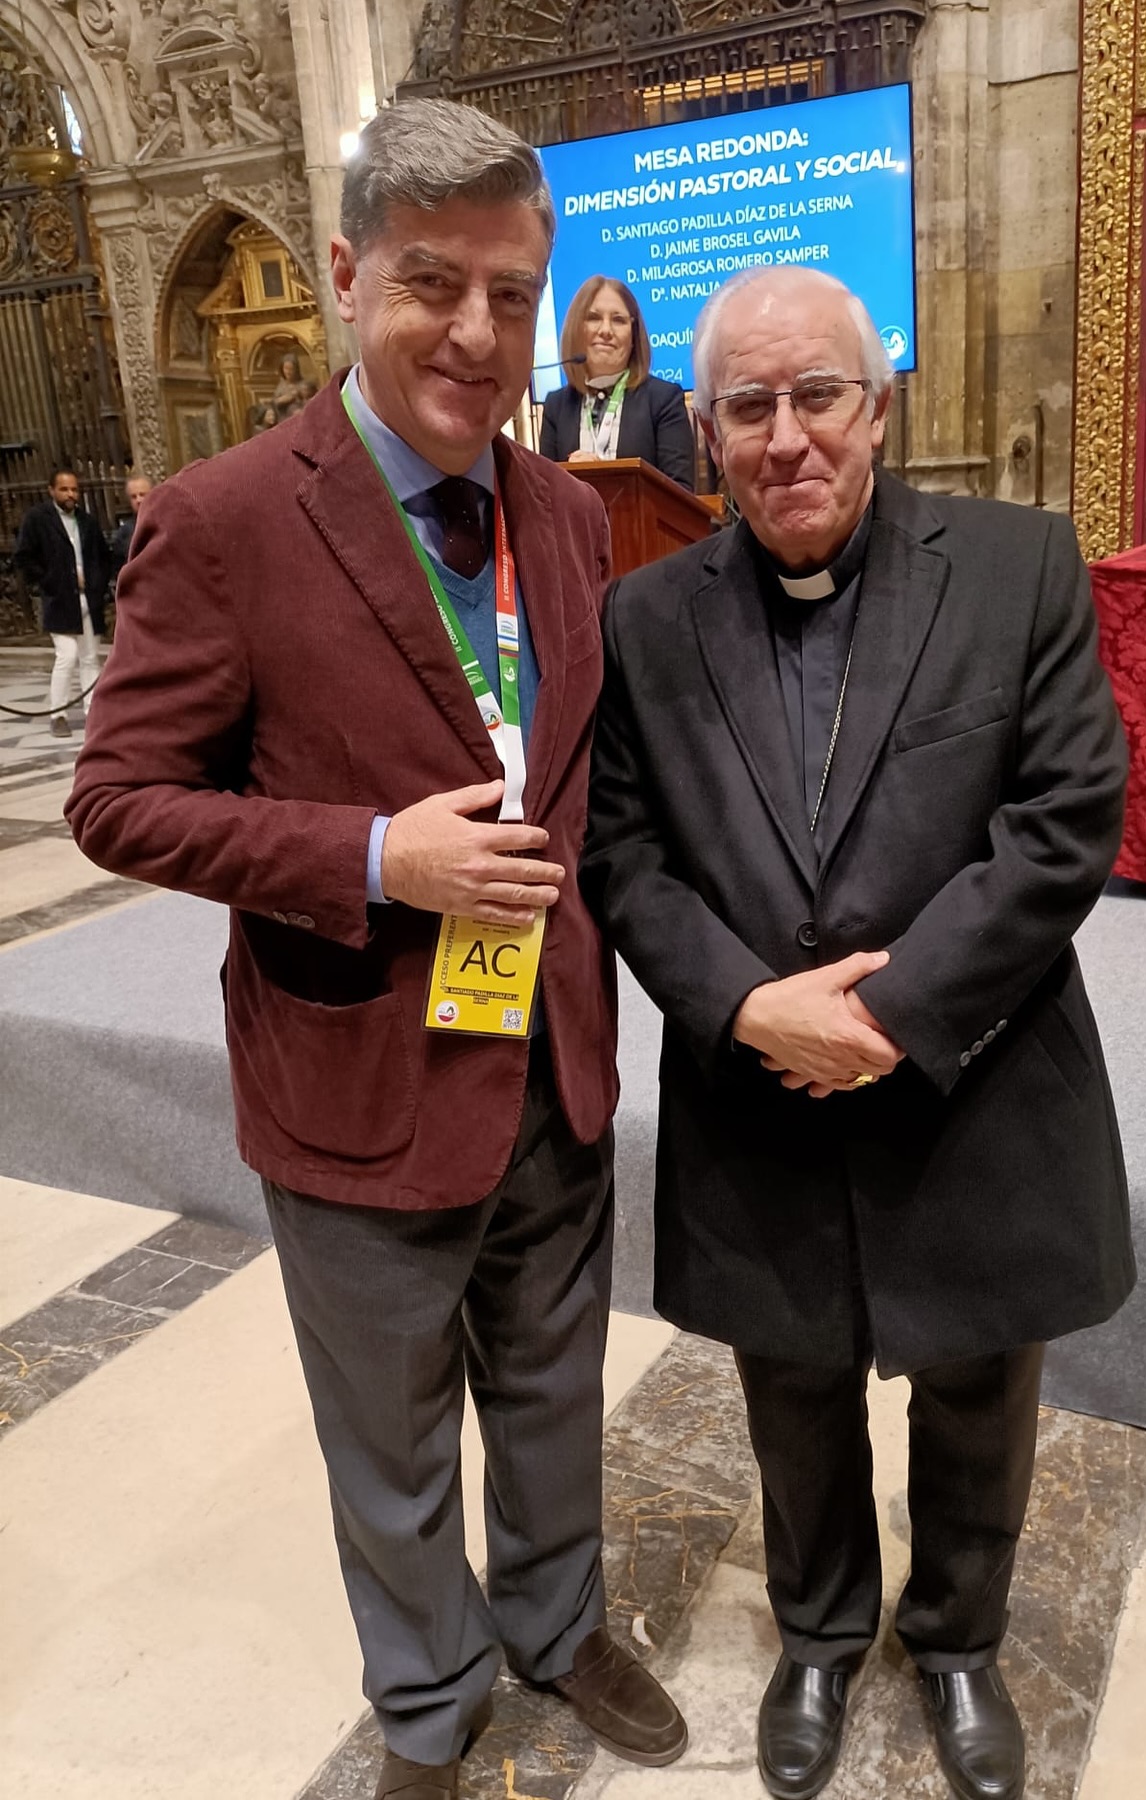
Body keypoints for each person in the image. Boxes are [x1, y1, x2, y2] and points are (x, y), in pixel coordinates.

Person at [68, 98, 685, 1800]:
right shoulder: (226, 518)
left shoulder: (568, 515)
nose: (479, 333)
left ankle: (557, 1625)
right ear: (346, 275)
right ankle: (427, 1702)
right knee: (392, 1434)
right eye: (432, 284)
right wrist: (369, 855)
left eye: (512, 293)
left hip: (548, 1052)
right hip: (354, 1066)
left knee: (554, 1387)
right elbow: (117, 799)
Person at [580, 266, 1132, 1800]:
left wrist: (889, 1012)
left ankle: (957, 1640)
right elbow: (621, 850)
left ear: (877, 406)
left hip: (971, 1073)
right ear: (703, 431)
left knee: (977, 1385)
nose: (788, 437)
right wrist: (747, 1003)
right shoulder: (645, 617)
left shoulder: (1017, 566)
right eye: (748, 406)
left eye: (818, 395)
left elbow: (1064, 815)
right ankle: (819, 1635)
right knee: (793, 1388)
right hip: (758, 1086)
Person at [539, 275, 694, 489]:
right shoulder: (556, 407)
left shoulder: (664, 400)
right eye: (593, 318)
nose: (605, 331)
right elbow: (544, 492)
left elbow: (681, 493)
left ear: (633, 336)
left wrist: (605, 479)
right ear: (577, 329)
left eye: (618, 320)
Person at [15, 467, 111, 739]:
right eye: (64, 489)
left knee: (89, 658)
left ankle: (93, 712)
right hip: (60, 599)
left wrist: (96, 584)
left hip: (88, 598)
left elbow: (102, 556)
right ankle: (58, 714)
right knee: (66, 656)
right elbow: (24, 557)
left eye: (74, 489)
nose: (70, 494)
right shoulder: (37, 519)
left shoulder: (87, 521)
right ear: (51, 490)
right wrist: (50, 580)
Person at [108, 473, 153, 569]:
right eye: (134, 497)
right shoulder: (124, 533)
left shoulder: (167, 523)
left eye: (142, 494)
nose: (138, 500)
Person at [271, 349, 317, 418]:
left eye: (291, 369)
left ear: (296, 369)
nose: (288, 372)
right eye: (286, 368)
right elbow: (273, 405)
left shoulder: (304, 384)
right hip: (286, 418)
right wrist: (283, 400)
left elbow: (314, 399)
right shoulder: (281, 386)